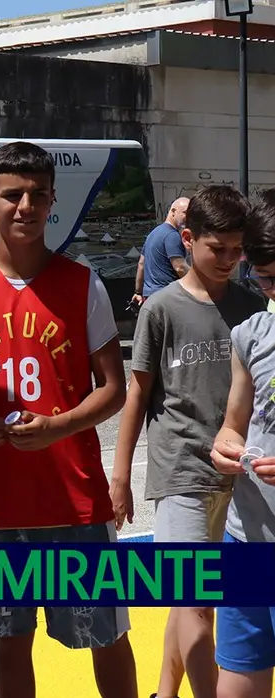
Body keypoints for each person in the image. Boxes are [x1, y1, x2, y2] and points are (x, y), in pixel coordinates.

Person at [0, 141, 135, 698]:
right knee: (9, 638)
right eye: (12, 194)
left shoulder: (82, 284)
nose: (26, 206)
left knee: (105, 635)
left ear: (52, 201)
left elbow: (113, 387)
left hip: (74, 496)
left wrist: (60, 426)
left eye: (39, 194)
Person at [111, 184, 263, 698]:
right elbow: (137, 396)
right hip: (181, 473)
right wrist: (120, 476)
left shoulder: (253, 305)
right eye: (216, 248)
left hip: (243, 481)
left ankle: (164, 689)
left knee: (193, 599)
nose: (228, 259)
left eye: (236, 250)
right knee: (196, 598)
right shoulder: (162, 308)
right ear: (187, 237)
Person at [210, 187, 275, 698]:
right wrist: (225, 446)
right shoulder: (249, 333)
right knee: (239, 670)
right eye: (266, 279)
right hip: (247, 538)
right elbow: (235, 422)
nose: (273, 290)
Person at [132, 197, 189, 306]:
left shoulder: (153, 234)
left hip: (149, 298)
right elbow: (180, 267)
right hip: (167, 298)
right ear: (173, 212)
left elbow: (141, 264)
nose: (189, 217)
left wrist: (138, 292)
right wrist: (199, 284)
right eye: (185, 213)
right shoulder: (172, 235)